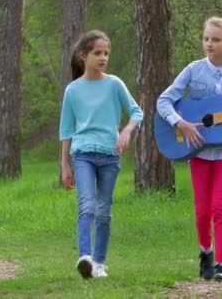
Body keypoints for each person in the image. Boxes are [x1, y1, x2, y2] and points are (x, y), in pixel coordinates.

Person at [156, 17, 222, 281]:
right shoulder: (194, 70)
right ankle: (206, 251)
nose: (209, 44)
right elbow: (164, 101)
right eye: (206, 38)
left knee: (220, 205)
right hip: (198, 149)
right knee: (203, 209)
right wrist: (181, 123)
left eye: (216, 39)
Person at [59, 30, 143, 279]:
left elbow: (136, 112)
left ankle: (99, 263)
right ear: (83, 56)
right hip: (83, 154)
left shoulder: (114, 84)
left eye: (106, 53)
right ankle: (84, 257)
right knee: (86, 205)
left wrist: (127, 130)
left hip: (109, 156)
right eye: (98, 53)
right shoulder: (72, 91)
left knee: (104, 210)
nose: (103, 57)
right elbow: (66, 130)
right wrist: (65, 165)